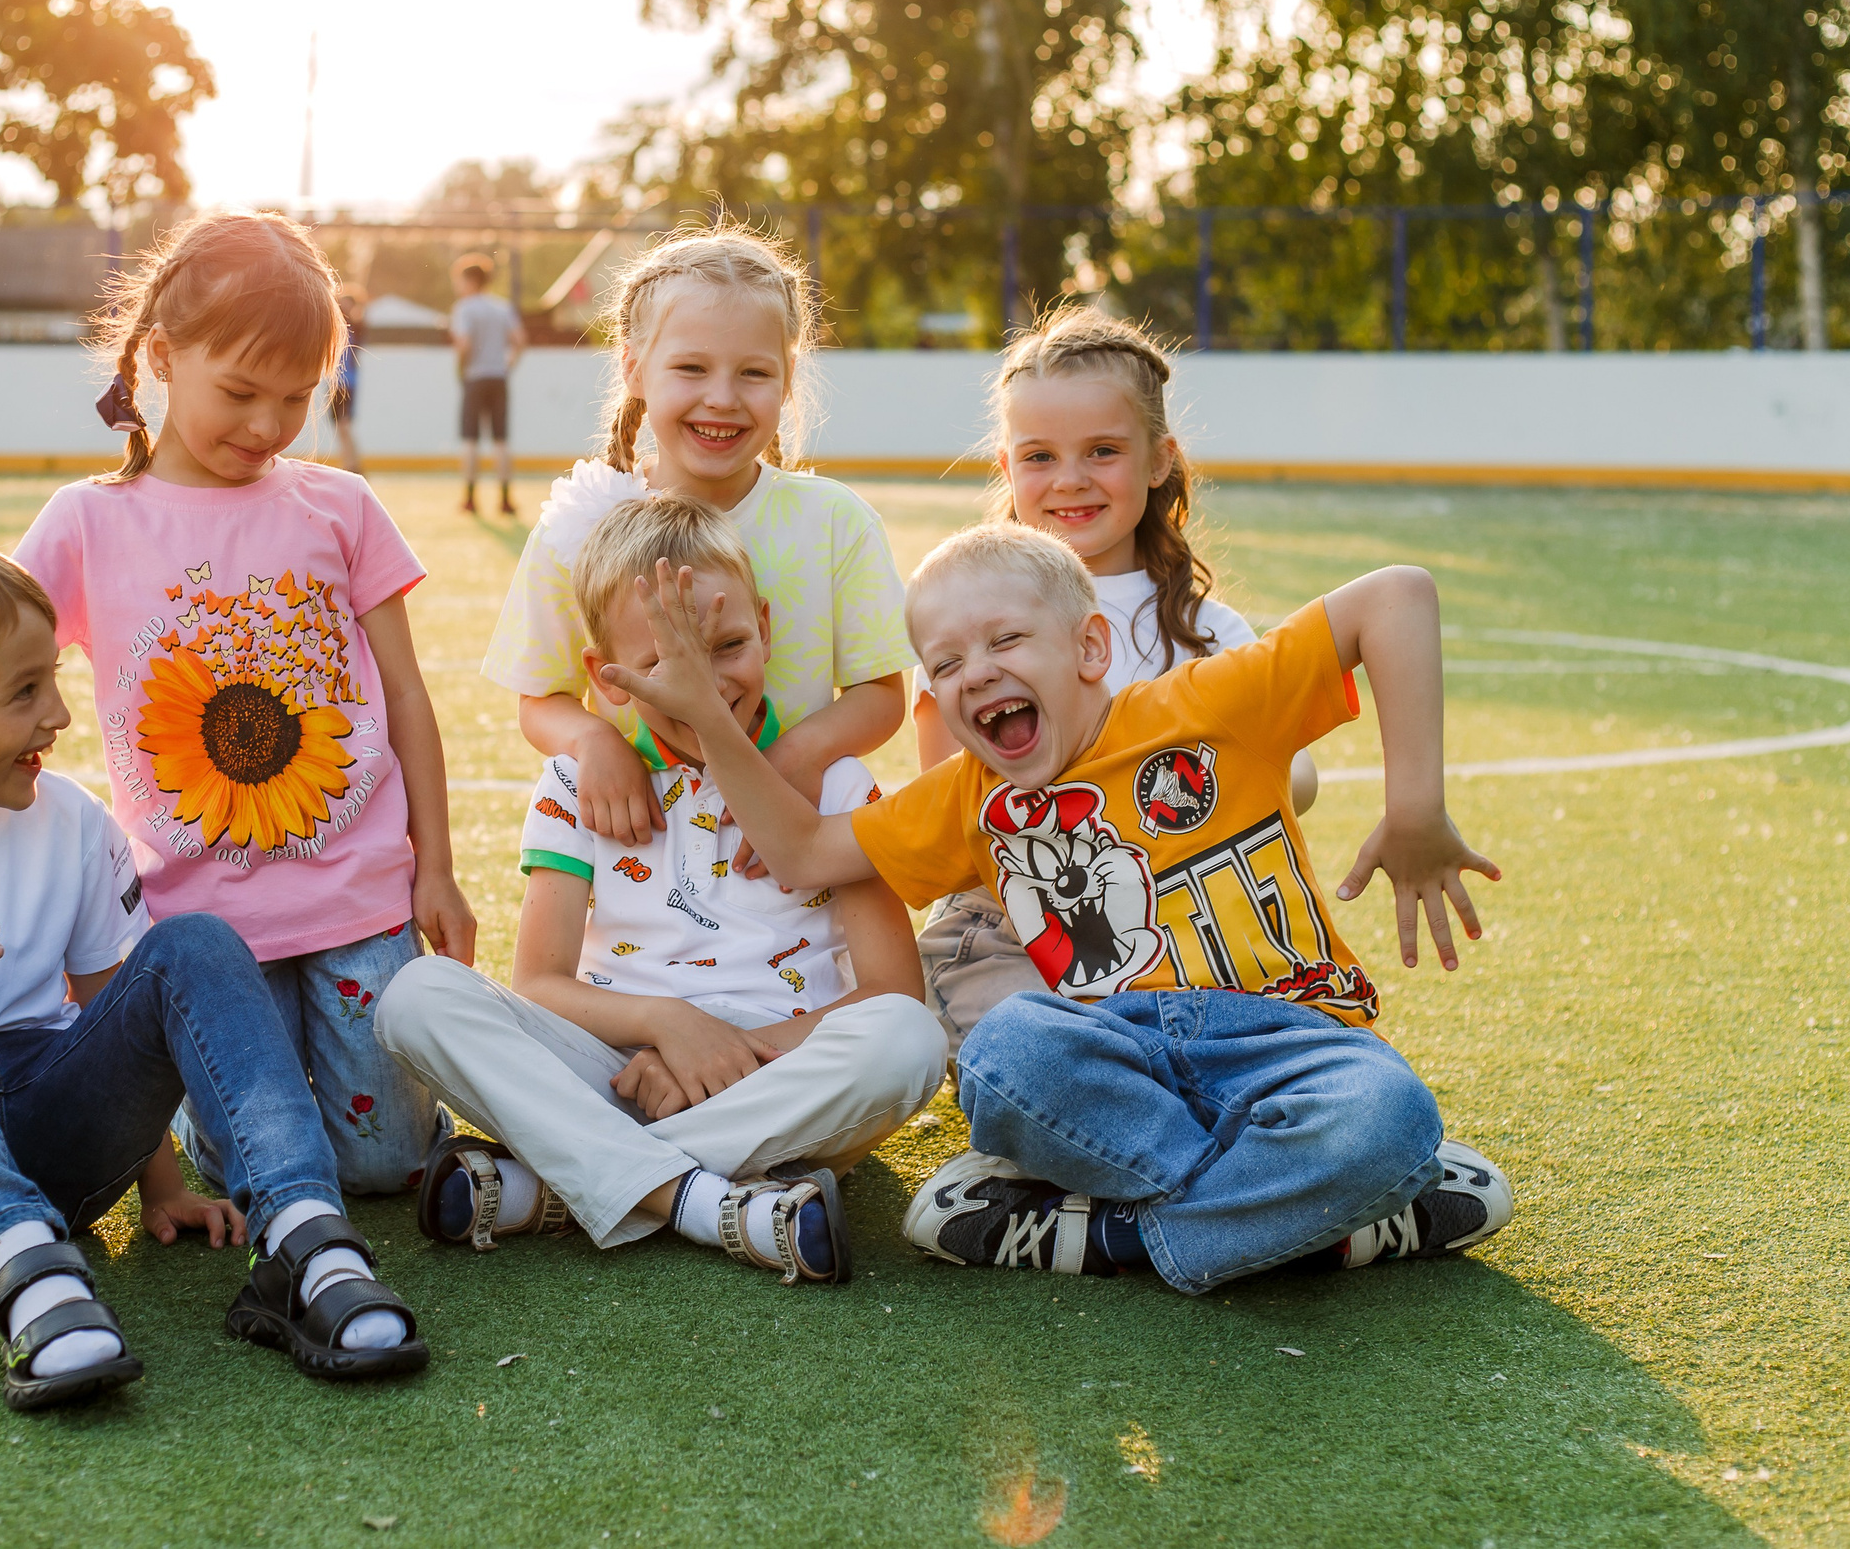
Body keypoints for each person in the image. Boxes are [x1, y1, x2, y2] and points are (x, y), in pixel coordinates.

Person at [596, 521, 1516, 1294]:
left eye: (1004, 641)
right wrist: (710, 718)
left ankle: (1108, 1235)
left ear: (1087, 648)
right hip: (1107, 1048)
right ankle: (1345, 1221)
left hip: (1283, 1035)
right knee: (1003, 1059)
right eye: (945, 663)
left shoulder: (1204, 703)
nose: (974, 673)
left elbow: (1397, 593)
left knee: (1385, 1114)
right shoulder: (963, 795)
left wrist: (1414, 808)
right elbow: (800, 851)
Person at [0, 211, 470, 1201]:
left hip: (360, 896)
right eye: (239, 392)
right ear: (162, 358)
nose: (266, 426)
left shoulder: (342, 508)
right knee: (241, 1165)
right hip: (206, 928)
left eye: (296, 399)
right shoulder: (89, 521)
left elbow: (403, 694)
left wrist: (434, 867)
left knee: (387, 1162)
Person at [0, 534, 426, 1412]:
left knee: (196, 941)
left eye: (50, 677)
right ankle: (25, 1277)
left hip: (49, 1138)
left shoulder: (69, 821)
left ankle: (305, 1240)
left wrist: (163, 1186)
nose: (59, 713)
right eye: (23, 693)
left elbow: (116, 1013)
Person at [375, 496, 944, 1282]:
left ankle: (562, 1184)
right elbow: (538, 982)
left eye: (729, 645)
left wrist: (724, 1054)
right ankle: (713, 1204)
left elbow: (892, 991)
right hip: (613, 1066)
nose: (701, 689)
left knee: (907, 1042)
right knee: (417, 995)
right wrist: (665, 1025)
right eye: (663, 666)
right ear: (602, 678)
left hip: (778, 1071)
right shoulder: (578, 780)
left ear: (769, 628)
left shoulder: (835, 783)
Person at [912, 306, 1321, 1055]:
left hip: (1176, 915)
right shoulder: (963, 618)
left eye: (1102, 450)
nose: (1069, 480)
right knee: (1037, 1052)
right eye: (1038, 456)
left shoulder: (1206, 631)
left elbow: (1297, 776)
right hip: (1011, 926)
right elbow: (950, 799)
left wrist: (1181, 782)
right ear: (1005, 466)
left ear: (1159, 459)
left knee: (1242, 1049)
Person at [481, 225, 913, 888]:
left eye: (754, 372)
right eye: (691, 368)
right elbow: (541, 697)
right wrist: (593, 741)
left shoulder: (835, 521)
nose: (722, 397)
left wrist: (790, 761)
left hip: (788, 852)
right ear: (633, 367)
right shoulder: (577, 524)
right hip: (645, 861)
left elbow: (881, 694)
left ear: (788, 378)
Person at [450, 253, 524, 516]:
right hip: (498, 378)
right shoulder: (502, 308)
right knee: (501, 440)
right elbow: (519, 341)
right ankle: (505, 500)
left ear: (470, 280)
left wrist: (461, 368)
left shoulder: (464, 308)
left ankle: (470, 499)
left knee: (470, 440)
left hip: (474, 378)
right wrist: (507, 365)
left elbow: (464, 345)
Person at [326, 283, 365, 476]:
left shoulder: (356, 330)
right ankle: (349, 464)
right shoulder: (334, 328)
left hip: (347, 384)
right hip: (335, 383)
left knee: (344, 426)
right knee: (340, 428)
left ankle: (353, 465)